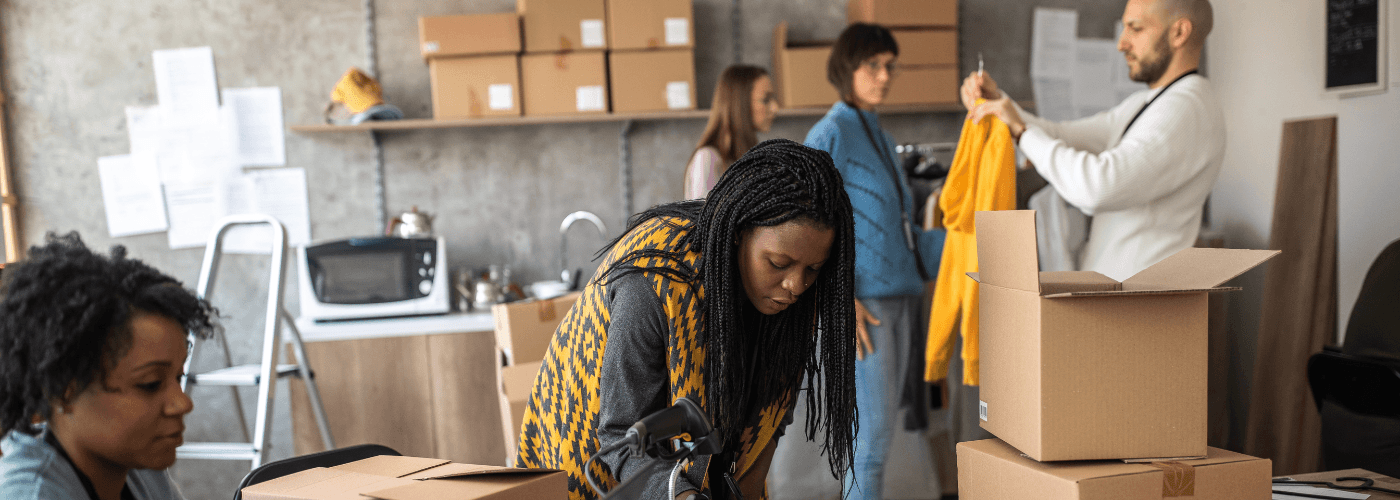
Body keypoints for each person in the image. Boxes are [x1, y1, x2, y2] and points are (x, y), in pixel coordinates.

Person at [515, 139, 859, 500]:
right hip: (589, 467)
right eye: (778, 264)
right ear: (740, 232)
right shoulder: (652, 284)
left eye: (813, 269)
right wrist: (680, 495)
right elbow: (621, 437)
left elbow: (771, 422)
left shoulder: (792, 298)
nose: (795, 285)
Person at [963, 0, 1223, 281]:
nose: (1121, 44)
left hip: (1141, 307)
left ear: (1179, 33)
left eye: (1135, 29)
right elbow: (1063, 135)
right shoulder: (1149, 103)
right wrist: (1000, 104)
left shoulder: (1185, 109)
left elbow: (1097, 187)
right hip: (1119, 301)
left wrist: (1021, 132)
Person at [795, 22, 946, 500]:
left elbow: (901, 229)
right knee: (872, 441)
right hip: (864, 311)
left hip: (901, 298)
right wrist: (835, 298)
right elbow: (801, 229)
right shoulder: (830, 133)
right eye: (873, 66)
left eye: (889, 66)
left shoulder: (879, 132)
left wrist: (966, 236)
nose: (885, 76)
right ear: (847, 68)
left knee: (881, 437)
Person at [0, 233, 218, 500]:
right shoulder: (33, 495)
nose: (182, 403)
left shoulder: (134, 462)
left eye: (178, 376)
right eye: (150, 384)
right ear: (65, 390)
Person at [683, 65, 779, 199]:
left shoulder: (750, 156)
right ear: (740, 103)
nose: (775, 108)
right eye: (765, 99)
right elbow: (705, 218)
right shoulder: (707, 158)